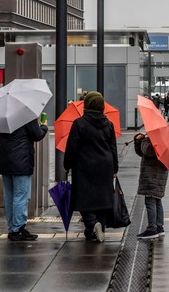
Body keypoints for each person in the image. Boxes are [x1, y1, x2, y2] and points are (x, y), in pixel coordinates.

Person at [63, 91, 119, 243]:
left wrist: (67, 165)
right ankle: (94, 230)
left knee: (83, 199)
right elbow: (113, 148)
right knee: (102, 199)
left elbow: (72, 148)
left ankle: (93, 224)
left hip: (84, 166)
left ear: (87, 105)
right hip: (105, 166)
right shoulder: (108, 124)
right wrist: (115, 168)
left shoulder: (79, 123)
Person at [0, 115, 48, 241]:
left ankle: (12, 228)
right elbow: (37, 135)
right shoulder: (26, 115)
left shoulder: (2, 116)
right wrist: (43, 126)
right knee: (21, 196)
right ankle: (18, 228)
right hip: (21, 162)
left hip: (6, 161)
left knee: (10, 196)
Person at [134, 131, 169, 240]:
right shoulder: (161, 137)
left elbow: (148, 151)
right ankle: (159, 227)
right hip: (156, 174)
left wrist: (145, 140)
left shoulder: (157, 139)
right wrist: (137, 141)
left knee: (150, 201)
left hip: (153, 175)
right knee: (157, 200)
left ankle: (152, 229)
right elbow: (141, 153)